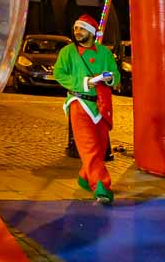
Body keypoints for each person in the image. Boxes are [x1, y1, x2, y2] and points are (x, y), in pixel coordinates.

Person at [53, 14, 120, 205]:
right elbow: (59, 73)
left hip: (101, 104)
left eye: (81, 29)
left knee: (98, 148)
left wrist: (109, 78)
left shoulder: (104, 53)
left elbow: (115, 74)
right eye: (75, 28)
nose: (77, 32)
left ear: (91, 32)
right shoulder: (68, 52)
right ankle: (102, 187)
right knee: (89, 147)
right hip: (79, 103)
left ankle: (85, 176)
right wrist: (83, 83)